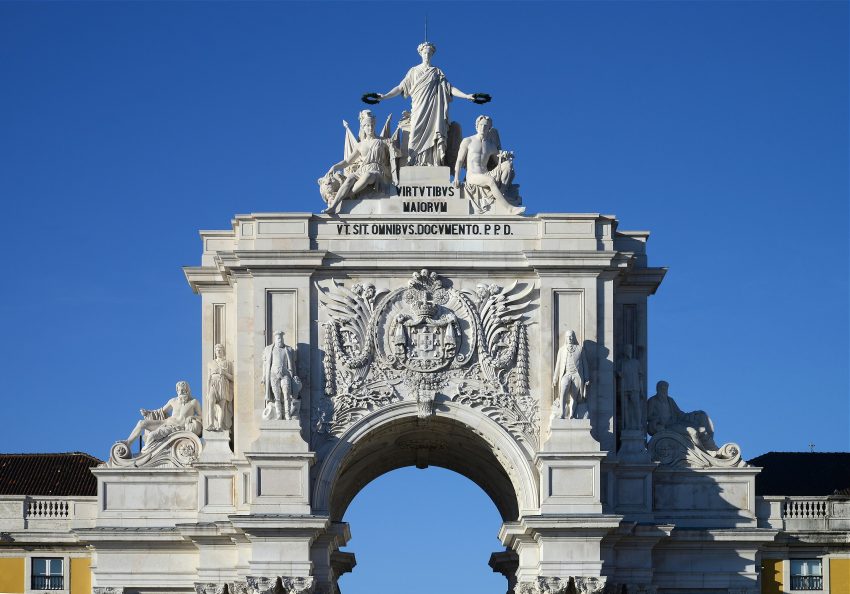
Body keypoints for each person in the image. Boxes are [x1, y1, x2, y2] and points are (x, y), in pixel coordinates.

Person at [376, 42, 477, 166]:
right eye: (425, 52)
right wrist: (385, 96)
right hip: (418, 107)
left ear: (432, 54)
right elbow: (400, 87)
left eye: (429, 53)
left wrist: (466, 96)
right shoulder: (413, 71)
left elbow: (449, 88)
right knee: (415, 132)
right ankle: (413, 161)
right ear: (420, 53)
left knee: (434, 132)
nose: (427, 55)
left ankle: (431, 161)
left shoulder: (436, 71)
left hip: (433, 109)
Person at [322, 110, 394, 213]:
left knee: (368, 176)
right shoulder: (360, 145)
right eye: (368, 126)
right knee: (350, 177)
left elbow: (393, 155)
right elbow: (348, 161)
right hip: (362, 170)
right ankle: (333, 207)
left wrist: (392, 146)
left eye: (372, 125)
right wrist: (334, 167)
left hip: (376, 171)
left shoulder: (381, 142)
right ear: (363, 127)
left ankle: (346, 197)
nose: (370, 128)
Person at [453, 116, 525, 215]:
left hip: (486, 173)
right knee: (490, 181)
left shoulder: (491, 146)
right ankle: (509, 208)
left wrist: (505, 156)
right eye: (481, 125)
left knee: (508, 165)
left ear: (489, 128)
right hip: (472, 175)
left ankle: (501, 194)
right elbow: (459, 160)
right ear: (476, 126)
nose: (483, 128)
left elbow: (498, 162)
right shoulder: (468, 141)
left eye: (486, 126)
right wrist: (456, 177)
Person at [126, 381, 202, 452]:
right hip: (166, 422)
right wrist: (148, 412)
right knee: (141, 423)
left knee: (152, 436)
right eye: (179, 391)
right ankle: (128, 443)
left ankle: (144, 454)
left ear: (187, 390)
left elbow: (202, 417)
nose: (181, 392)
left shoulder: (194, 402)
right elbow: (161, 411)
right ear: (177, 391)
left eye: (183, 390)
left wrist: (193, 417)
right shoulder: (173, 401)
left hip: (176, 428)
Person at [646, 380, 718, 452]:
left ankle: (712, 449)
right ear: (658, 389)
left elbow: (679, 413)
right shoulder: (653, 400)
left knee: (701, 430)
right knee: (693, 432)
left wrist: (693, 414)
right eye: (662, 388)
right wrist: (657, 420)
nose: (664, 390)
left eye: (666, 388)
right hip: (666, 427)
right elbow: (648, 416)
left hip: (674, 424)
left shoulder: (670, 400)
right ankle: (703, 452)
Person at [262, 331, 301, 420]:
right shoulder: (269, 349)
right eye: (278, 338)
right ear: (275, 339)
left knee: (287, 394)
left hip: (285, 374)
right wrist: (264, 376)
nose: (280, 340)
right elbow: (266, 364)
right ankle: (279, 414)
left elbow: (293, 365)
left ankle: (287, 414)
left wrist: (294, 375)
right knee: (277, 396)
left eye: (281, 338)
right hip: (273, 375)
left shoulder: (288, 349)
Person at [552, 329, 590, 419]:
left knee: (574, 395)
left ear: (574, 337)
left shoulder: (579, 349)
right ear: (565, 338)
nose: (570, 338)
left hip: (577, 375)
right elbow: (558, 364)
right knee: (563, 391)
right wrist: (555, 377)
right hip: (566, 374)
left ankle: (572, 414)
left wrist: (587, 377)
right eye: (568, 336)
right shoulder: (562, 350)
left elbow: (585, 364)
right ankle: (562, 412)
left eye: (571, 336)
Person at [205, 343, 234, 432]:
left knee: (222, 406)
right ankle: (211, 424)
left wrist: (224, 372)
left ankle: (220, 426)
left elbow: (232, 378)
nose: (218, 351)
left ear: (223, 351)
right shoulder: (211, 363)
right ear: (215, 352)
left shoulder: (228, 363)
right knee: (211, 403)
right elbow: (208, 379)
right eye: (217, 350)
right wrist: (207, 391)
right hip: (213, 383)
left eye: (220, 350)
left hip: (223, 383)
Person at [617, 344, 643, 431]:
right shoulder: (621, 362)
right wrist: (618, 373)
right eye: (626, 349)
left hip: (634, 388)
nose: (628, 351)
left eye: (629, 349)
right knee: (625, 408)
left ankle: (639, 424)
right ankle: (627, 426)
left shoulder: (636, 362)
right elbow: (616, 371)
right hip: (624, 388)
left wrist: (641, 390)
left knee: (636, 407)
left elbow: (640, 378)